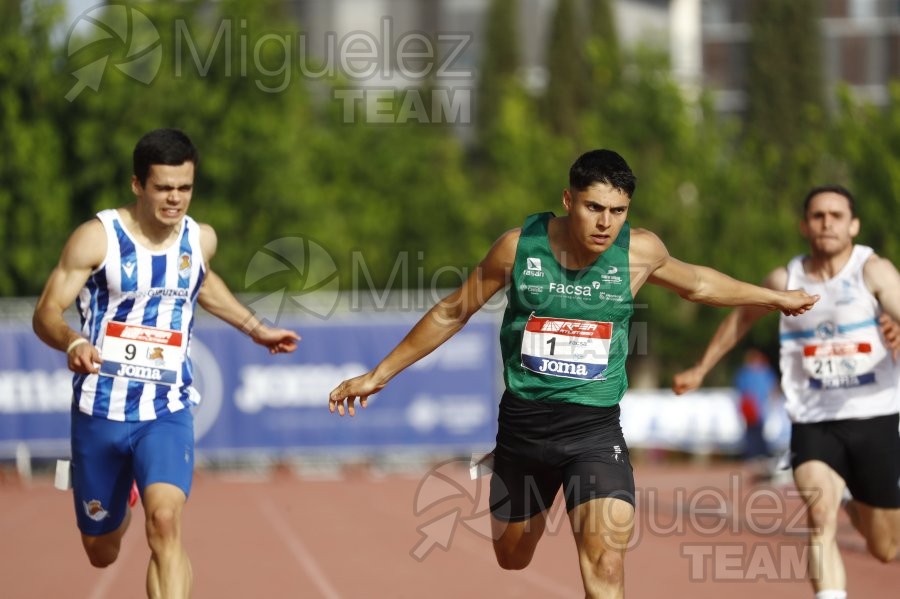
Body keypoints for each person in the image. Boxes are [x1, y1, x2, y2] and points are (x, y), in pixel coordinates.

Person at [328, 149, 817, 599]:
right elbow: (453, 312)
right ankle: (506, 470)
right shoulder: (517, 248)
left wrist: (774, 298)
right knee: (513, 557)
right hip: (524, 428)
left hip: (594, 429)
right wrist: (380, 373)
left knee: (605, 562)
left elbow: (700, 284)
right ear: (568, 200)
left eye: (618, 211)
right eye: (593, 208)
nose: (606, 223)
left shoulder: (640, 252)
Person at [32, 128, 300, 599]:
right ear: (138, 185)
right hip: (101, 412)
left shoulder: (201, 240)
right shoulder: (97, 240)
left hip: (166, 408)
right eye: (163, 188)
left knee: (165, 522)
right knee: (102, 549)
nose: (175, 199)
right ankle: (122, 496)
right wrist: (73, 341)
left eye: (184, 188)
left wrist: (256, 328)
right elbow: (45, 313)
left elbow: (202, 283)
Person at [673, 185, 900, 599]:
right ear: (804, 225)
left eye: (836, 215)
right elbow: (740, 320)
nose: (827, 222)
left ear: (854, 225)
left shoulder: (873, 270)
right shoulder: (785, 279)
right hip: (813, 419)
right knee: (819, 519)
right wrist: (701, 368)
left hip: (874, 417)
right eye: (817, 215)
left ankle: (852, 498)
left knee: (885, 548)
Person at [734, 347, 778, 462]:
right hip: (750, 406)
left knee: (760, 430)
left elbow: (772, 387)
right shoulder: (745, 372)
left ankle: (761, 453)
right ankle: (753, 454)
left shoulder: (764, 371)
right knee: (751, 431)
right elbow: (741, 389)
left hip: (761, 405)